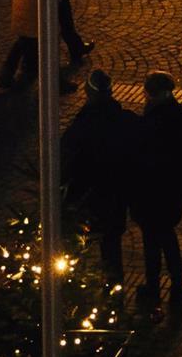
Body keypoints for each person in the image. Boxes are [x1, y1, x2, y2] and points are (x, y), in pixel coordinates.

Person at [60, 68, 141, 283]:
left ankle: (75, 289)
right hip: (116, 193)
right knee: (111, 244)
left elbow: (67, 157)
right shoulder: (125, 120)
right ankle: (114, 289)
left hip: (87, 194)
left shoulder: (82, 125)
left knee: (78, 243)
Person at [132, 72, 182, 320]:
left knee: (152, 238)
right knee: (167, 234)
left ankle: (153, 286)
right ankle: (177, 284)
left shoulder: (153, 119)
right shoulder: (181, 115)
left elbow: (143, 152)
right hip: (174, 185)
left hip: (153, 187)